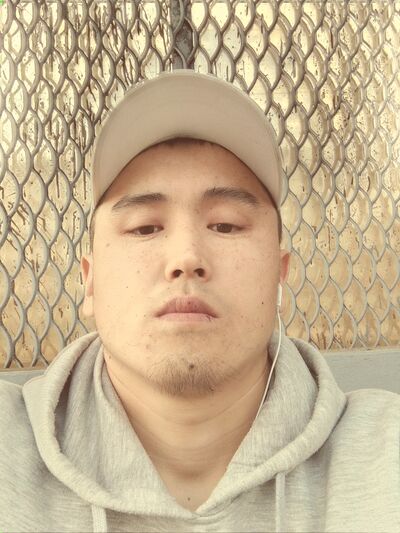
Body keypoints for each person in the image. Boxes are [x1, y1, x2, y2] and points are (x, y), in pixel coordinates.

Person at [1, 70, 399, 533]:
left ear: (279, 275)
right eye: (145, 228)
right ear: (90, 283)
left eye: (226, 225)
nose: (186, 258)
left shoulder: (384, 452)